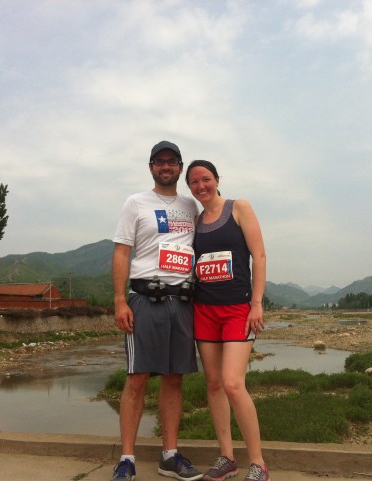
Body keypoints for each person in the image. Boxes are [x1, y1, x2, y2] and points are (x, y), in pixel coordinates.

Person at [111, 141, 202, 481]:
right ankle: (127, 459)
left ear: (180, 167)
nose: (166, 166)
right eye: (159, 161)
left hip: (182, 302)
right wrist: (120, 300)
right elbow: (122, 252)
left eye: (172, 161)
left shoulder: (191, 206)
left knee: (174, 379)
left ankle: (169, 456)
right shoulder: (136, 203)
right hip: (145, 299)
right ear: (151, 167)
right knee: (137, 378)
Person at [184, 160, 270, 481]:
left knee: (233, 384)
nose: (201, 186)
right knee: (214, 384)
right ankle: (227, 457)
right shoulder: (195, 222)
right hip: (204, 310)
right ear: (190, 188)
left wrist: (256, 303)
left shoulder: (239, 208)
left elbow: (259, 255)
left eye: (205, 179)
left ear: (217, 180)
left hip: (237, 309)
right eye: (194, 182)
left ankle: (258, 463)